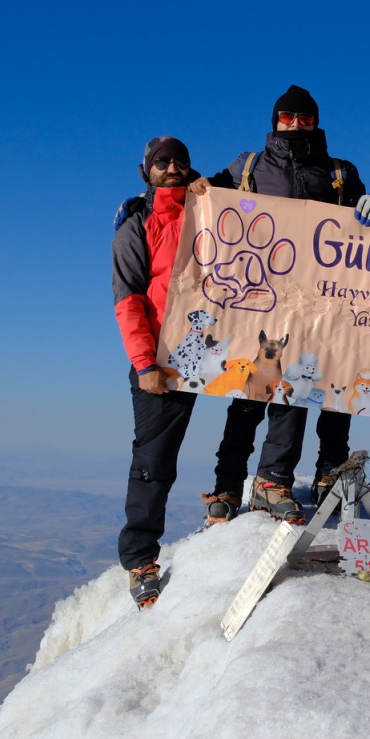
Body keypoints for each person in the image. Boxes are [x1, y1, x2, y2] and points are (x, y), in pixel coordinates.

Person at [202, 85, 370, 524]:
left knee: (330, 387)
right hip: (260, 301)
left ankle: (327, 475)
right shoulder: (248, 166)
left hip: (325, 302)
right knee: (251, 393)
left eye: (305, 117)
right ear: (275, 121)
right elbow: (202, 199)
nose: (296, 123)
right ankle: (233, 485)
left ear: (316, 122)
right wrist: (149, 202)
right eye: (287, 116)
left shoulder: (340, 172)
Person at [111, 137, 210, 608]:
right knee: (155, 459)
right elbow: (128, 299)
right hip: (165, 360)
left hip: (221, 349)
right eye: (162, 162)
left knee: (254, 413)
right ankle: (139, 558)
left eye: (180, 161)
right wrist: (145, 364)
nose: (173, 167)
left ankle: (230, 495)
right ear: (146, 171)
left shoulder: (214, 207)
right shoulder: (137, 223)